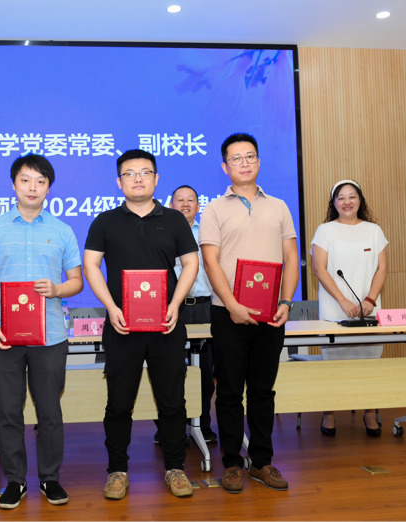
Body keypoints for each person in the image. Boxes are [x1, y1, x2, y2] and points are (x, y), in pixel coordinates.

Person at [84, 149, 199, 500]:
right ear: (119, 182)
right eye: (130, 173)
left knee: (173, 401)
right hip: (122, 326)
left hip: (166, 325)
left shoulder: (175, 220)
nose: (137, 178)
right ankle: (117, 471)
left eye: (145, 172)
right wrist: (111, 307)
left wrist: (175, 304)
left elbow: (191, 263)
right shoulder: (105, 221)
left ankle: (175, 468)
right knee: (119, 401)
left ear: (156, 179)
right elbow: (91, 266)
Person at [0, 154, 83, 510]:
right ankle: (15, 481)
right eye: (25, 180)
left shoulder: (62, 230)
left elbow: (76, 281)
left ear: (49, 187)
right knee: (8, 411)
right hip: (5, 336)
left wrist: (57, 289)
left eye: (40, 181)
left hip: (50, 336)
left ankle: (50, 478)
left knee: (49, 412)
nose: (32, 187)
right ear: (14, 185)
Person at [199, 133, 299, 494]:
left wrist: (286, 302)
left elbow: (291, 258)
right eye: (236, 158)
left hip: (271, 314)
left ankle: (261, 461)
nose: (244, 163)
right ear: (224, 166)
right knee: (228, 392)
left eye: (250, 156)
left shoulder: (279, 206)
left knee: (262, 390)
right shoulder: (214, 209)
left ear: (259, 162)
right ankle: (231, 463)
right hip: (227, 313)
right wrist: (233, 305)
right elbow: (210, 262)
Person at [311, 180, 388, 437]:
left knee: (369, 364)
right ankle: (329, 412)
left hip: (369, 309)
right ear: (334, 203)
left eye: (352, 197)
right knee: (334, 365)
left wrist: (370, 301)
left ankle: (369, 412)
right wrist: (343, 301)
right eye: (341, 197)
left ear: (360, 200)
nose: (347, 202)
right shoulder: (325, 231)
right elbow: (320, 269)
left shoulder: (374, 230)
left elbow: (382, 269)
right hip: (335, 310)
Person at [150, 185, 217, 445]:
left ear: (199, 206)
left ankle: (203, 424)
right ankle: (168, 427)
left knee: (205, 373)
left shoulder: (208, 233)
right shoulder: (161, 231)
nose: (186, 204)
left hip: (203, 307)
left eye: (191, 200)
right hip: (168, 308)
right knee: (169, 370)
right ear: (171, 204)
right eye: (180, 200)